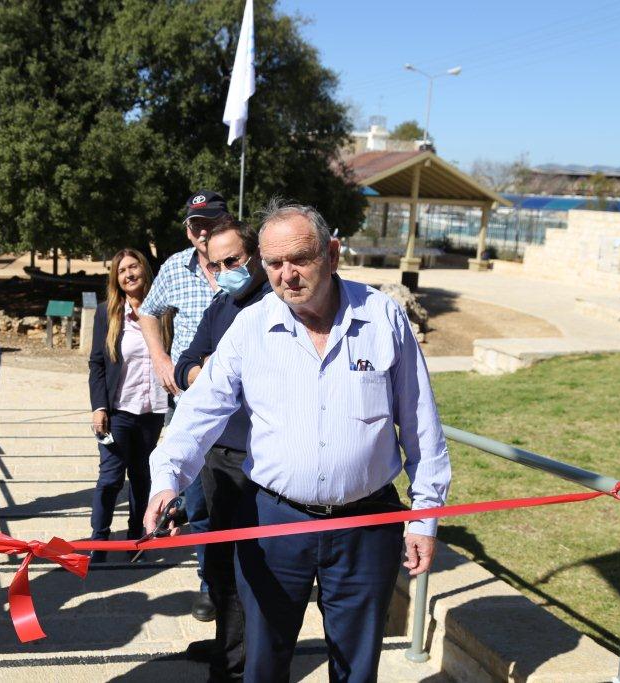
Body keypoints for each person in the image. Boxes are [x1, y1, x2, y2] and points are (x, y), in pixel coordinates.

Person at [146, 199, 451, 682]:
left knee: (356, 668)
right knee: (262, 661)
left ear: (331, 253)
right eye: (273, 263)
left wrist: (424, 517)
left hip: (366, 527)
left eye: (300, 259)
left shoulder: (383, 318)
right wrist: (167, 479)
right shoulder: (251, 327)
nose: (286, 274)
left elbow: (421, 427)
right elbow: (198, 414)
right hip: (272, 523)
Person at [173, 216, 270, 681]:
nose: (224, 270)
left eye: (233, 260)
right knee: (220, 560)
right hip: (219, 457)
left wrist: (218, 373)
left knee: (255, 568)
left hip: (263, 462)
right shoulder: (220, 305)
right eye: (215, 264)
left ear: (254, 255)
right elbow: (184, 365)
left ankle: (245, 663)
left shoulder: (276, 304)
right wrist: (206, 373)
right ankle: (227, 650)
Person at [138, 189, 227, 621]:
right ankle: (210, 584)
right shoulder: (175, 267)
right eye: (195, 224)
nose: (203, 231)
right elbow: (148, 313)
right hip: (190, 402)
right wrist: (161, 357)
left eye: (211, 221)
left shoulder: (249, 267)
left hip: (246, 410)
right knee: (198, 501)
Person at [87, 249, 168, 562]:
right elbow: (97, 363)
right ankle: (100, 541)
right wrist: (99, 407)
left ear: (144, 270)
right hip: (119, 409)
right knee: (110, 478)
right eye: (123, 271)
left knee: (142, 476)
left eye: (134, 267)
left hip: (153, 410)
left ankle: (137, 538)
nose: (130, 274)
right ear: (116, 279)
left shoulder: (163, 310)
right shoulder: (108, 312)